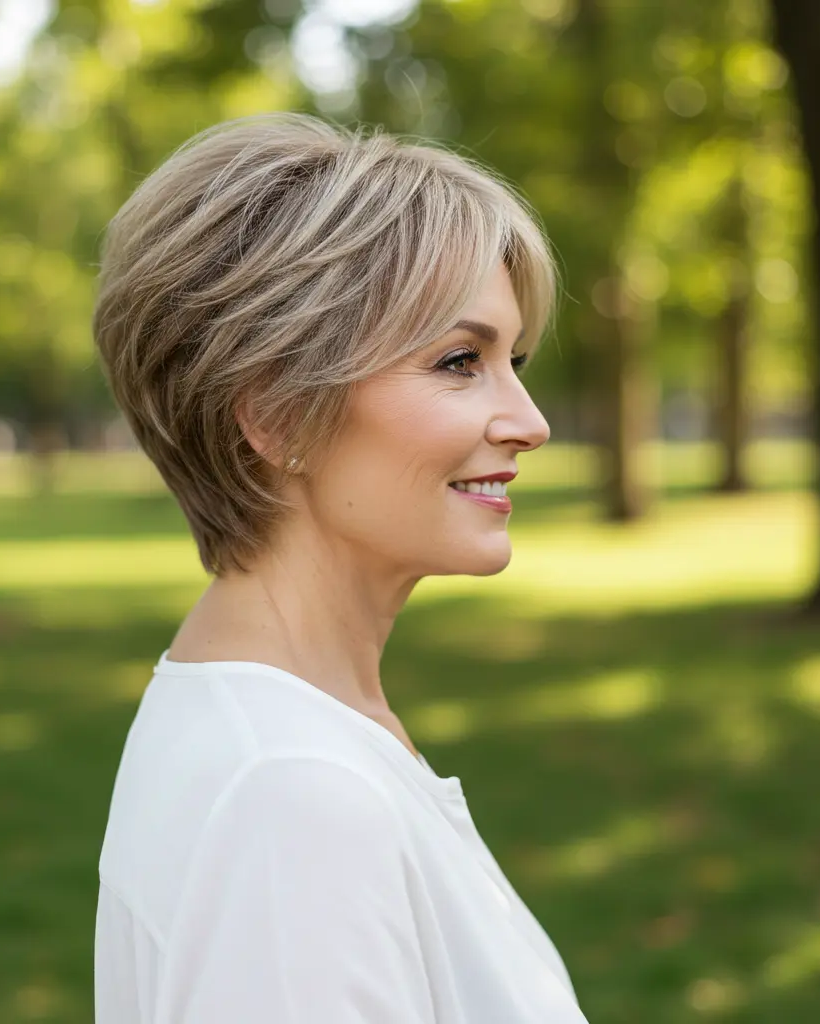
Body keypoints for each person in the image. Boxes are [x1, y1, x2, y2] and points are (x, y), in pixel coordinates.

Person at [91, 111, 587, 1023]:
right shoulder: (291, 798)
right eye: (458, 361)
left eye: (511, 359)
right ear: (276, 415)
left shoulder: (278, 734)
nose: (530, 420)